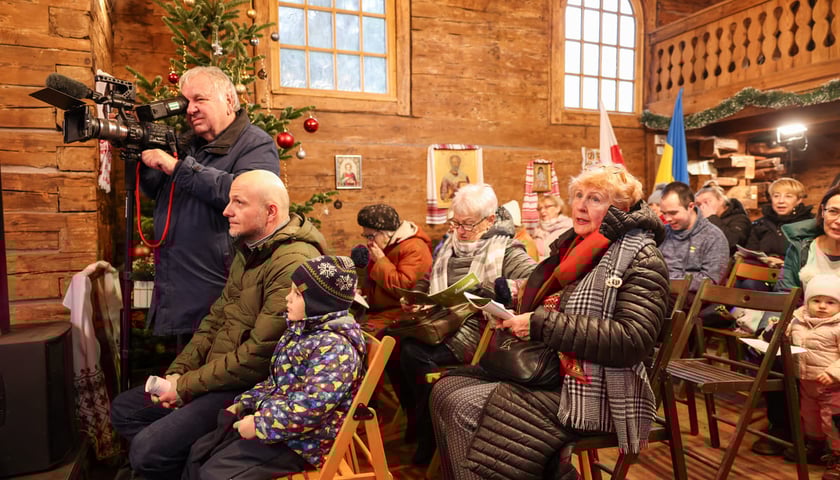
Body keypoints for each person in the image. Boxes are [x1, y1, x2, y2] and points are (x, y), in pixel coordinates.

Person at [430, 165, 669, 480]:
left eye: (595, 199)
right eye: (578, 196)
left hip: (601, 386)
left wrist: (542, 325)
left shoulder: (641, 258)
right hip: (559, 367)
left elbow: (632, 340)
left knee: (463, 405)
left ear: (620, 209)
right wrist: (497, 301)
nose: (580, 206)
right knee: (445, 391)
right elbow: (551, 299)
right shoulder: (578, 247)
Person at [110, 170, 327, 480]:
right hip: (217, 376)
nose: (227, 210)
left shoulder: (292, 262)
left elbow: (259, 356)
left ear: (271, 212)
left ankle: (185, 459)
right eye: (229, 201)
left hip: (250, 388)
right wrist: (179, 371)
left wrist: (184, 387)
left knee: (147, 450)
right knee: (124, 410)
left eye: (238, 202)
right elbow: (215, 319)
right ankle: (189, 456)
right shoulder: (250, 248)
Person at [183, 255, 365, 480]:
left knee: (213, 474)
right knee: (199, 451)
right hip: (278, 425)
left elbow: (311, 407)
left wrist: (260, 424)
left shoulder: (335, 349)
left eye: (297, 294)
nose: (287, 299)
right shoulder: (302, 331)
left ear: (319, 304)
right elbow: (277, 382)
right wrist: (245, 403)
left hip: (302, 443)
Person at [399, 184, 537, 465]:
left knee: (413, 353)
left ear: (489, 220)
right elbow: (429, 278)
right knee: (396, 345)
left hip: (480, 332)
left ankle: (431, 433)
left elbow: (535, 285)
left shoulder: (507, 249)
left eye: (468, 224)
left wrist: (502, 287)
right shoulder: (448, 246)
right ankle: (419, 417)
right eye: (456, 223)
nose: (460, 231)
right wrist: (416, 296)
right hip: (445, 319)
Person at [139, 66, 280, 336]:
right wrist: (143, 159)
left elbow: (247, 196)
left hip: (220, 296)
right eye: (185, 102)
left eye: (199, 99)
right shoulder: (187, 144)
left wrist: (177, 168)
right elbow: (155, 192)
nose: (190, 109)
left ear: (228, 99)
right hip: (178, 292)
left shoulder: (256, 144)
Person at [753, 184, 840, 457]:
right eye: (834, 211)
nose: (839, 220)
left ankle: (834, 446)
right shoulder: (802, 248)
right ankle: (785, 427)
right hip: (806, 321)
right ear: (822, 212)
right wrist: (779, 325)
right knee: (774, 349)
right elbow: (785, 292)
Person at [784, 274, 840, 479]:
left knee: (832, 421)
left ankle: (838, 456)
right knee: (809, 417)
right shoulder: (798, 321)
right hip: (806, 381)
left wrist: (834, 373)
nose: (822, 306)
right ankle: (815, 447)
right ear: (807, 302)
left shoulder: (838, 326)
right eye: (816, 300)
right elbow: (786, 336)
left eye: (830, 302)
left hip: (832, 386)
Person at [353, 204, 433, 332]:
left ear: (385, 233)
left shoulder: (415, 248)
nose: (368, 242)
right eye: (366, 236)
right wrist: (362, 292)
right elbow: (376, 280)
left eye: (370, 236)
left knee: (359, 338)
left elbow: (403, 287)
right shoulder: (387, 244)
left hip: (400, 313)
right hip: (377, 310)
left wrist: (380, 260)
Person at [659, 181, 730, 294]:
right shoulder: (661, 232)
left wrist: (668, 282)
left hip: (690, 297)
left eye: (673, 213)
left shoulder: (713, 237)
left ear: (691, 206)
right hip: (658, 291)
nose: (667, 219)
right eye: (664, 213)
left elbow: (710, 281)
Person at [746, 177, 813, 259]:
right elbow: (751, 252)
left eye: (788, 196)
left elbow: (814, 258)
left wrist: (784, 263)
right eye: (776, 196)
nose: (781, 201)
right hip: (762, 270)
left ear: (798, 200)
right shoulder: (760, 224)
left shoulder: (810, 225)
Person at [695, 181, 751, 255]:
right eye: (699, 205)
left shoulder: (739, 218)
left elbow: (733, 243)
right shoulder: (700, 221)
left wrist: (712, 218)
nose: (703, 207)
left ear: (721, 200)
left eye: (707, 202)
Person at [531, 194, 573, 261]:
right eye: (539, 209)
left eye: (547, 207)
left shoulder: (568, 228)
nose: (542, 211)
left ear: (558, 208)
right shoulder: (538, 230)